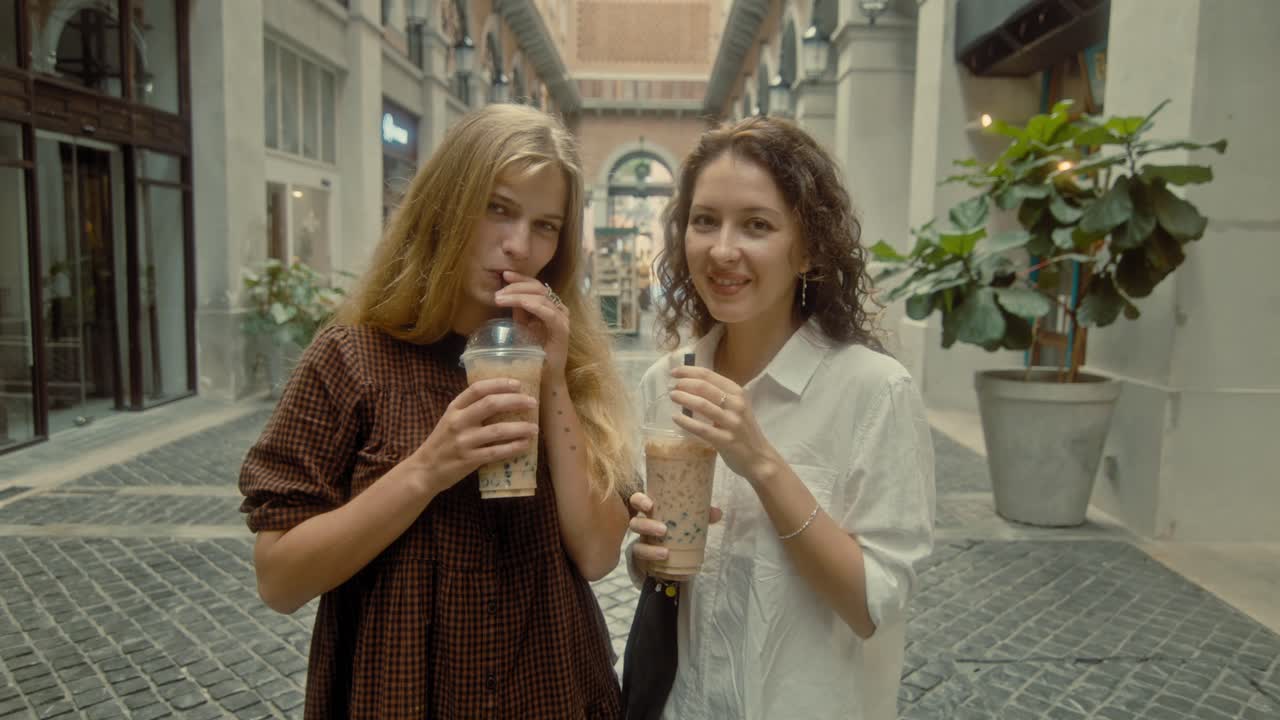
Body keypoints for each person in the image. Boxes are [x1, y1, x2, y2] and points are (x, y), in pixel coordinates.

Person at [239, 104, 634, 719]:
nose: (518, 246)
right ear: (447, 204)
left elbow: (597, 555)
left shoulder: (566, 360)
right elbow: (280, 580)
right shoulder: (353, 359)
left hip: (550, 686)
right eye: (498, 208)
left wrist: (553, 378)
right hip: (401, 690)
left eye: (546, 225)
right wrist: (429, 468)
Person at [624, 116, 936, 720]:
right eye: (704, 221)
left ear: (810, 246)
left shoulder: (874, 392)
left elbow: (874, 605)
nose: (722, 250)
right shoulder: (665, 382)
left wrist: (761, 461)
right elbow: (671, 582)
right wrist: (649, 559)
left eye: (757, 225)